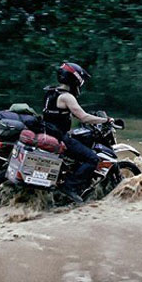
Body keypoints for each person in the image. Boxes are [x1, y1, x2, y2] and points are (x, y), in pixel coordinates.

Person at [43, 62, 113, 203]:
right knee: (92, 158)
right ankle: (69, 187)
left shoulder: (50, 92)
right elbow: (83, 117)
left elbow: (60, 113)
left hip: (47, 132)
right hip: (59, 137)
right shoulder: (67, 97)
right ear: (75, 79)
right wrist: (105, 120)